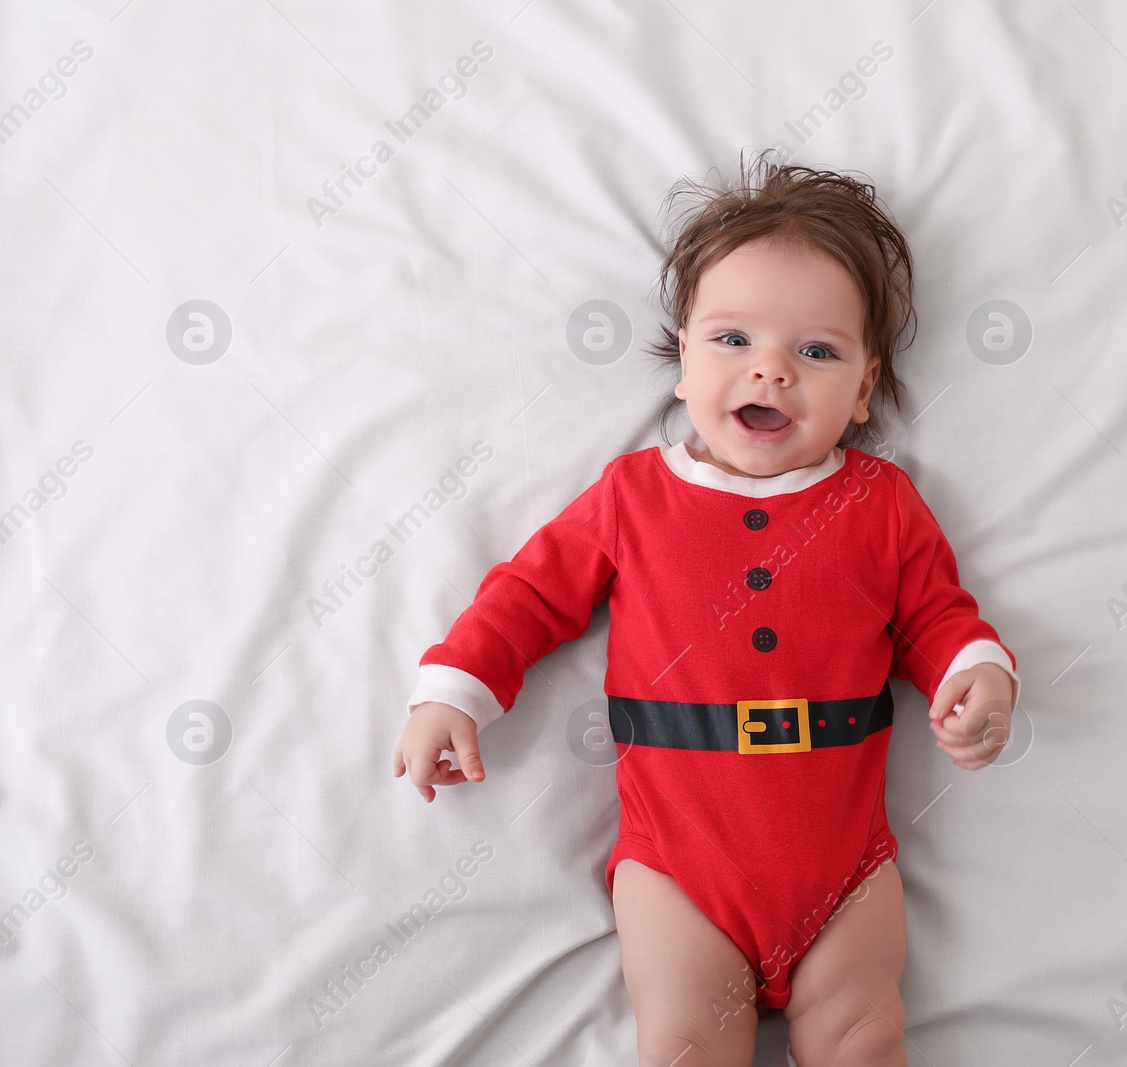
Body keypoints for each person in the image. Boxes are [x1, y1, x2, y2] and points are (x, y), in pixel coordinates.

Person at [394, 149, 1020, 1067]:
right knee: (685, 1044)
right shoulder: (633, 497)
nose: (771, 371)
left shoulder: (881, 503)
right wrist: (454, 689)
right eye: (733, 341)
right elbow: (528, 593)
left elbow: (935, 613)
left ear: (863, 388)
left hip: (845, 872)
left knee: (865, 1035)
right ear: (681, 364)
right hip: (678, 870)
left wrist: (976, 674)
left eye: (817, 351)